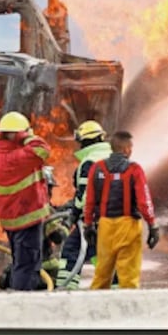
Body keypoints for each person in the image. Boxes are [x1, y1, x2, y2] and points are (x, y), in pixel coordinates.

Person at [0, 111, 52, 291]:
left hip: (11, 218)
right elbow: (43, 149)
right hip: (26, 217)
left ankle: (26, 290)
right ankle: (21, 299)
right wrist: (28, 135)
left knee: (22, 261)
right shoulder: (18, 157)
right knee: (27, 264)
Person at [84, 131, 159, 289]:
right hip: (128, 227)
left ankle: (94, 309)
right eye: (130, 147)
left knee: (102, 274)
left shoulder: (97, 168)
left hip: (105, 227)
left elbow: (89, 200)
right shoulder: (134, 170)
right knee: (128, 277)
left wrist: (88, 225)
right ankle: (127, 310)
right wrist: (152, 225)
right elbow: (144, 201)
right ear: (126, 149)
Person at [55, 120, 112, 290]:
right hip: (117, 219)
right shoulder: (114, 157)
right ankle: (116, 290)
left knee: (71, 250)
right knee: (103, 254)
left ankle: (65, 291)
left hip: (94, 219)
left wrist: (76, 213)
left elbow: (85, 195)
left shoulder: (89, 162)